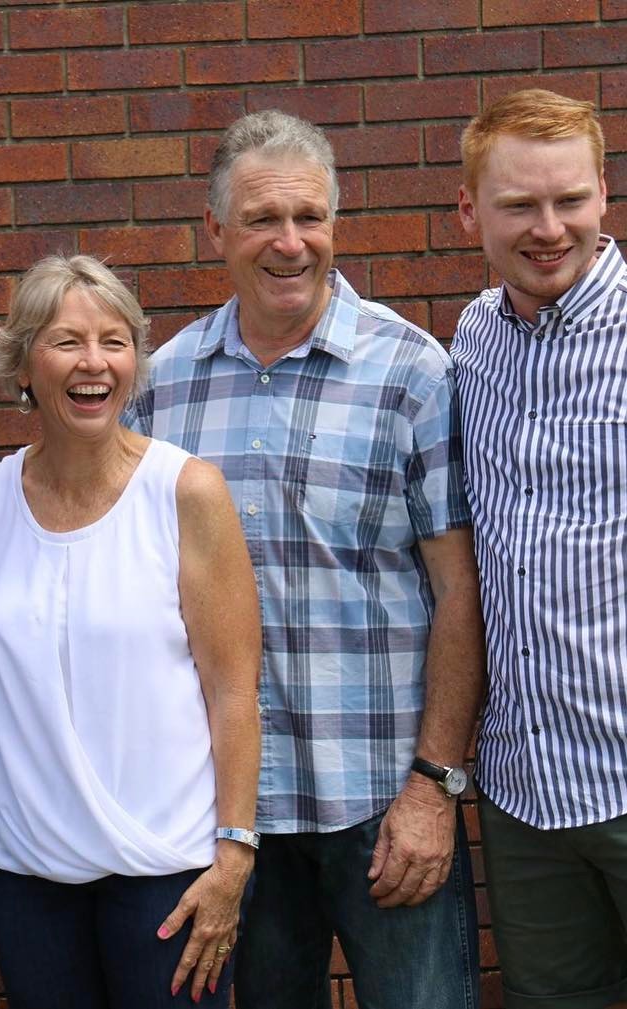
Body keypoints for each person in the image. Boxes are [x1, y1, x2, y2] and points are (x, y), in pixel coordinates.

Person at [127, 110, 485, 1009]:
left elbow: (459, 590)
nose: (291, 242)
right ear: (215, 232)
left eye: (310, 217)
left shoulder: (413, 372)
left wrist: (435, 786)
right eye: (261, 220)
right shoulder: (161, 387)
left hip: (384, 804)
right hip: (228, 818)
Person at [0, 254, 262, 1008]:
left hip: (167, 874)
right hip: (27, 875)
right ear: (24, 363)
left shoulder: (186, 490)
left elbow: (234, 690)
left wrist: (233, 858)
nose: (94, 362)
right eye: (67, 340)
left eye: (115, 340)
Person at [454, 88, 627, 1009]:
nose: (549, 227)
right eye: (519, 204)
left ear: (605, 193)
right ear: (470, 211)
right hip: (525, 789)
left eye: (571, 199)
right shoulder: (473, 340)